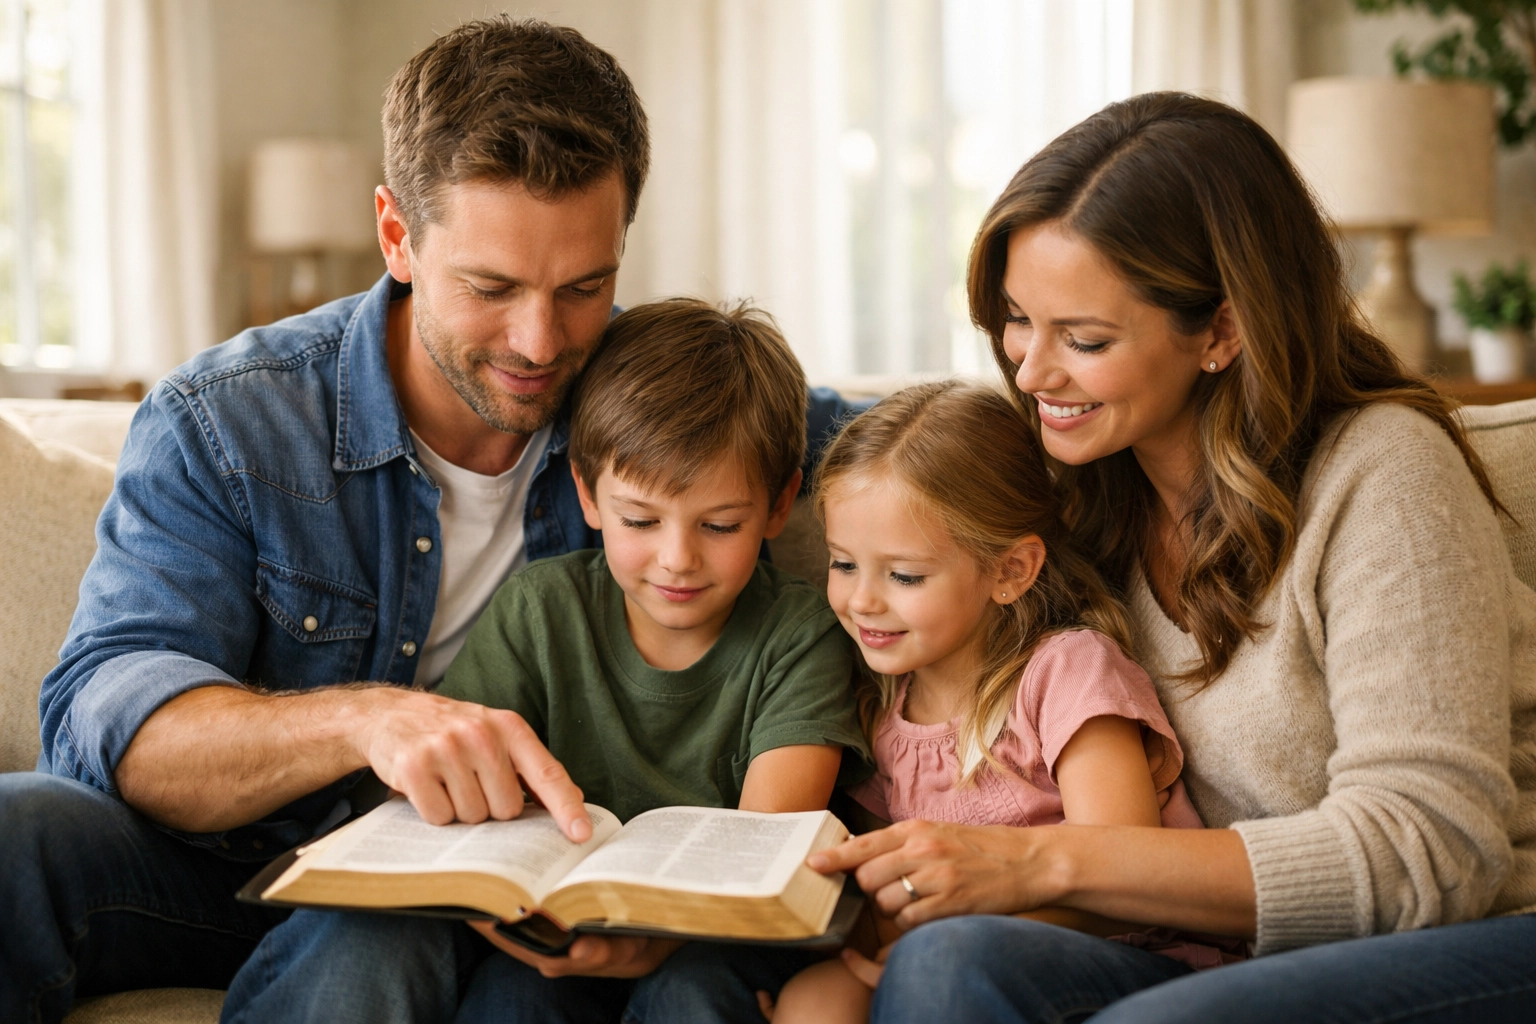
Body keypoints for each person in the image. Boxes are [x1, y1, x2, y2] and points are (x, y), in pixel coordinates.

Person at [0, 18, 857, 1024]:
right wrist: (369, 720)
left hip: (479, 886)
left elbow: (926, 460)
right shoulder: (230, 420)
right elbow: (111, 716)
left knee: (377, 933)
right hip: (224, 864)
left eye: (585, 286)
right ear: (396, 234)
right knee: (16, 830)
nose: (541, 342)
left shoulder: (654, 401)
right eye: (491, 287)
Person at [809, 92, 1536, 1023]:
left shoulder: (1385, 475)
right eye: (1018, 320)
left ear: (1222, 333)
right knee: (952, 965)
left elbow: (1430, 849)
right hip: (1219, 956)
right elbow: (863, 465)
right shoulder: (1077, 490)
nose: (1031, 372)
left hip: (1471, 935)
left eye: (1085, 339)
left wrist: (1037, 860)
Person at [433, 297, 870, 1022]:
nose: (677, 560)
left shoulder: (801, 633)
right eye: (640, 520)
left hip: (722, 933)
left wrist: (654, 947)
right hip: (559, 935)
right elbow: (461, 802)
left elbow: (758, 853)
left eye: (720, 525)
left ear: (780, 503)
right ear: (587, 493)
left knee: (687, 996)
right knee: (511, 1000)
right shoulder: (537, 611)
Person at [767, 382, 1241, 1024]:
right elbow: (887, 884)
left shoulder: (1066, 672)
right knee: (813, 999)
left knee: (936, 960)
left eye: (904, 576)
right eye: (843, 564)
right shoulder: (885, 703)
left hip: (1128, 956)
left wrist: (933, 936)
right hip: (945, 951)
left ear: (1010, 571)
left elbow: (1124, 876)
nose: (862, 601)